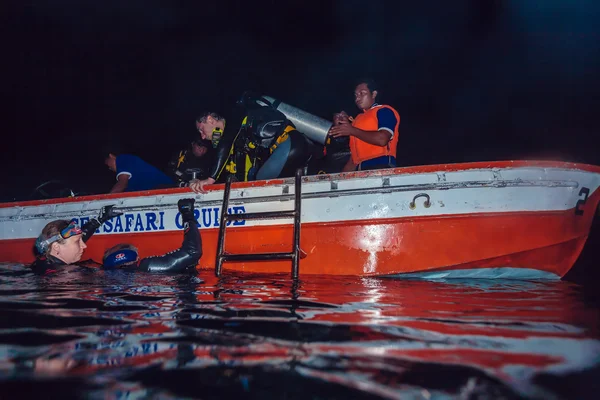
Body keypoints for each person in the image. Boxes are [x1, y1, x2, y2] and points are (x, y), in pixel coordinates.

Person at [31, 199, 202, 275]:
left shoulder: (42, 265)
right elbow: (192, 252)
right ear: (56, 248)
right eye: (78, 242)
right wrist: (187, 215)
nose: (84, 246)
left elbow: (69, 239)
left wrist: (100, 219)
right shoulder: (62, 276)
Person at [188, 93, 315, 193]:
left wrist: (210, 179)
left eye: (201, 130)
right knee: (255, 175)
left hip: (291, 143)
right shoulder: (241, 135)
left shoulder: (235, 116)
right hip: (299, 146)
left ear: (210, 120)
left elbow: (225, 145)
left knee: (261, 179)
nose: (203, 137)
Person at [329, 79, 400, 172]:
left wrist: (352, 130)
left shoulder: (384, 111)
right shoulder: (358, 120)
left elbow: (382, 139)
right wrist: (339, 180)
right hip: (361, 171)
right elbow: (354, 160)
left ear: (374, 94)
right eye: (356, 95)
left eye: (362, 93)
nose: (357, 99)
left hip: (382, 167)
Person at [104, 147, 174, 193]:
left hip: (163, 188)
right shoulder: (131, 180)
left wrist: (106, 199)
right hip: (153, 192)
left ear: (111, 156)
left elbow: (121, 184)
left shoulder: (122, 159)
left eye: (107, 164)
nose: (109, 168)